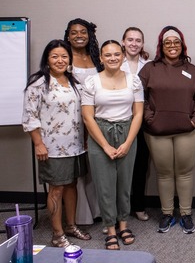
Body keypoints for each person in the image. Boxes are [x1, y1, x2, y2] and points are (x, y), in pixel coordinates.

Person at [22, 39, 92, 248]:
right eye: (55, 56)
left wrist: (86, 138)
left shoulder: (74, 82)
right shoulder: (38, 83)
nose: (60, 60)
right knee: (56, 189)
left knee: (72, 185)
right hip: (52, 147)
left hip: (76, 145)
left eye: (64, 56)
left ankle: (71, 226)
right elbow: (30, 116)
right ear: (47, 59)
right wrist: (38, 144)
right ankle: (57, 233)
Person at [138, 26, 195, 234]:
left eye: (176, 42)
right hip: (156, 131)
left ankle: (185, 213)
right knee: (165, 173)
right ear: (161, 45)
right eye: (168, 42)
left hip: (187, 130)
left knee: (185, 173)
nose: (172, 46)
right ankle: (167, 214)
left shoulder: (192, 70)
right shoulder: (150, 69)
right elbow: (139, 98)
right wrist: (150, 120)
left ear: (182, 45)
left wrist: (194, 121)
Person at [81, 40, 144, 250]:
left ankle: (123, 225)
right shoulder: (92, 82)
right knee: (105, 185)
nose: (113, 58)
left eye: (117, 54)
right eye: (108, 55)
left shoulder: (134, 80)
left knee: (125, 184)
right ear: (101, 58)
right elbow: (88, 117)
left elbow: (138, 114)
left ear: (123, 56)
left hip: (127, 132)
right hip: (100, 133)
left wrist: (128, 142)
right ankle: (110, 228)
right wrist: (105, 146)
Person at [63, 18, 102, 226]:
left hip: (95, 118)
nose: (79, 36)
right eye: (74, 32)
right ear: (68, 35)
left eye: (83, 32)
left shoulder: (95, 57)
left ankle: (97, 210)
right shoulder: (63, 57)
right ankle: (80, 216)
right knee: (76, 167)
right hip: (70, 120)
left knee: (94, 165)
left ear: (89, 35)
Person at [120, 27, 151, 222]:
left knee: (140, 165)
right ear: (123, 42)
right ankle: (117, 211)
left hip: (142, 121)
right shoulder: (113, 61)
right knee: (119, 168)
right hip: (119, 120)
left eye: (138, 40)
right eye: (130, 40)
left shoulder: (148, 65)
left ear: (142, 44)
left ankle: (138, 205)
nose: (134, 43)